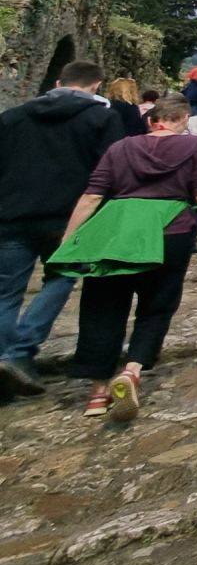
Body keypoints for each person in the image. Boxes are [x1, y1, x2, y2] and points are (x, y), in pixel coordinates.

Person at [50, 94, 197, 420]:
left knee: (101, 304)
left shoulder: (121, 147)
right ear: (183, 119)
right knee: (158, 304)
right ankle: (132, 369)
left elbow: (93, 194)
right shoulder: (196, 146)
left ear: (150, 120)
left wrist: (69, 237)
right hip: (170, 231)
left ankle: (98, 392)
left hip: (117, 232)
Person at [0, 60, 123, 399]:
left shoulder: (14, 116)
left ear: (57, 82)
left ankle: (4, 355)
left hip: (11, 214)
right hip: (69, 218)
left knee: (6, 291)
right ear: (96, 86)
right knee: (62, 278)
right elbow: (109, 173)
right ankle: (19, 352)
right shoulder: (102, 118)